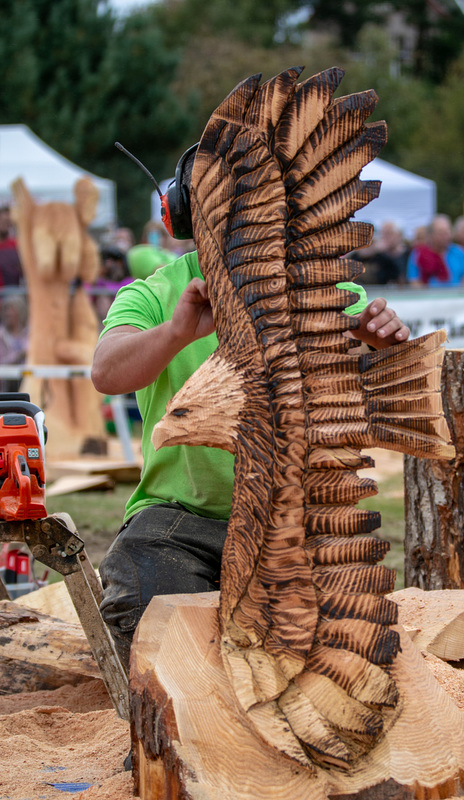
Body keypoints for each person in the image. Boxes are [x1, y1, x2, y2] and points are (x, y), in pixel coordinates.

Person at [90, 149, 412, 670]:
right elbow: (108, 372)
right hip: (182, 519)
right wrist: (176, 333)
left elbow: (371, 395)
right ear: (187, 215)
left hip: (297, 515)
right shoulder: (154, 292)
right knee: (152, 608)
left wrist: (382, 349)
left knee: (343, 650)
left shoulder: (330, 290)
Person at [407, 214, 464, 287]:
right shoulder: (418, 253)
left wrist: (460, 295)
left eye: (447, 232)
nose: (445, 236)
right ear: (431, 235)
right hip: (428, 297)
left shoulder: (459, 252)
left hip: (457, 296)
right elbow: (414, 281)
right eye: (441, 233)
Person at [0, 205, 23, 287]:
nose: (6, 225)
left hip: (11, 293)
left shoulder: (17, 245)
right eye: (3, 222)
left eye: (8, 222)